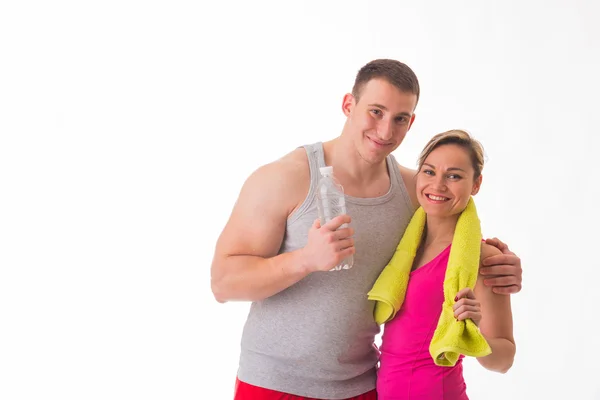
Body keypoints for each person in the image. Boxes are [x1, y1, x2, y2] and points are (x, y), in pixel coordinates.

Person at [210, 59, 523, 400]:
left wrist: (499, 264)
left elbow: (454, 240)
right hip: (274, 384)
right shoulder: (286, 177)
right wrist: (305, 259)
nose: (386, 131)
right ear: (348, 105)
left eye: (400, 118)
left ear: (411, 122)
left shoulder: (413, 191)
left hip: (363, 387)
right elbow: (224, 283)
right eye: (376, 111)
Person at [376, 130, 516, 400]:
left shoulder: (483, 257)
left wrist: (473, 333)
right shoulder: (404, 243)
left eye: (454, 176)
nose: (438, 185)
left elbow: (504, 360)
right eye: (429, 172)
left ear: (476, 185)